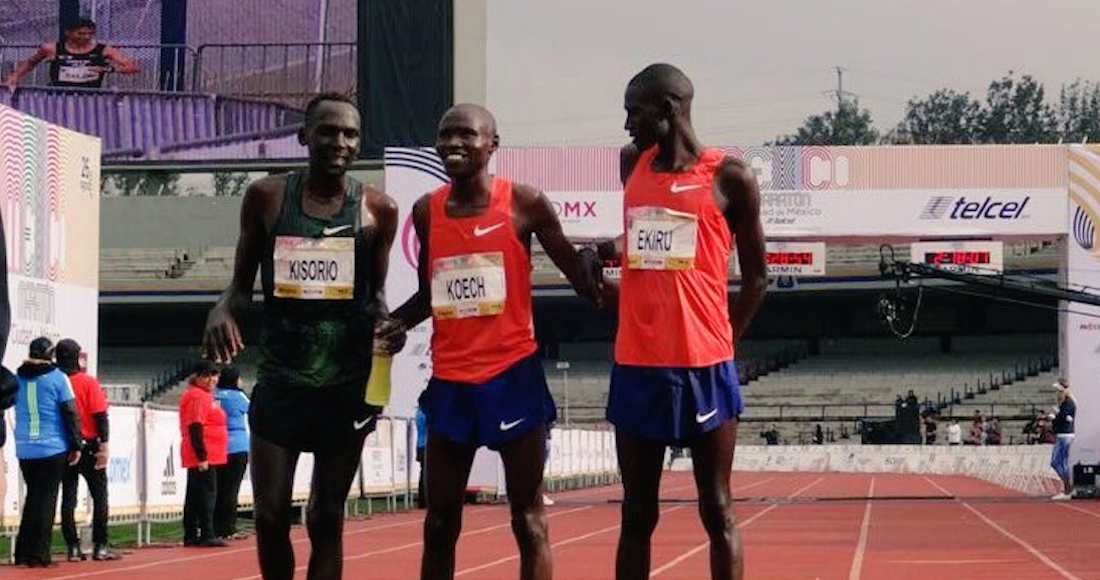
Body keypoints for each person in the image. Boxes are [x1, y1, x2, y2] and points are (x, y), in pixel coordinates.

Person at [377, 103, 598, 580]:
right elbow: (432, 294)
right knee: (439, 524)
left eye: (466, 134)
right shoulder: (427, 211)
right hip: (451, 381)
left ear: (492, 144)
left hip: (512, 376)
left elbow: (581, 280)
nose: (452, 144)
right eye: (444, 135)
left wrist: (598, 259)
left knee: (528, 520)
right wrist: (395, 323)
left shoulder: (525, 203)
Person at [202, 92, 399, 580]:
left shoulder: (378, 209)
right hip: (282, 379)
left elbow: (376, 296)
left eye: (350, 133)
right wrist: (220, 310)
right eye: (328, 131)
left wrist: (387, 322)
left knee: (326, 518)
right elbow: (240, 287)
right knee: (269, 516)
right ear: (304, 136)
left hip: (345, 384)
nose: (340, 142)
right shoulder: (267, 198)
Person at [594, 63, 767, 580]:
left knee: (716, 507)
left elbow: (757, 277)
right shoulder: (632, 163)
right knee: (636, 513)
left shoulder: (730, 177)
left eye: (635, 112)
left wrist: (725, 342)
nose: (627, 124)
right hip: (638, 364)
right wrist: (604, 251)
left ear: (669, 108)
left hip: (704, 367)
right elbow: (646, 230)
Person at [13, 337, 83, 567]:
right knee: (46, 501)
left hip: (25, 447)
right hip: (52, 447)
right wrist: (76, 444)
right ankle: (39, 553)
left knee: (33, 498)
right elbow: (70, 412)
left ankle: (23, 551)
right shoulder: (58, 378)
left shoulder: (18, 378)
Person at [56, 339, 120, 561]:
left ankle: (72, 547)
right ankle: (100, 545)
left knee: (68, 498)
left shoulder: (56, 382)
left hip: (66, 446)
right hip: (90, 445)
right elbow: (100, 415)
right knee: (100, 496)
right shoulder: (88, 382)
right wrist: (104, 445)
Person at [3, 18, 140, 89]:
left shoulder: (104, 49)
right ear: (68, 32)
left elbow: (133, 66)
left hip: (89, 97)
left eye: (90, 34)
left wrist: (108, 69)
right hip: (58, 96)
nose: (86, 37)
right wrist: (14, 76)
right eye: (81, 33)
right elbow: (30, 62)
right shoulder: (51, 48)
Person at [180, 361, 228, 547]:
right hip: (203, 454)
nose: (211, 379)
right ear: (197, 377)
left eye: (214, 375)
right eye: (206, 376)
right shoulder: (197, 396)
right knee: (206, 493)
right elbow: (195, 425)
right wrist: (202, 456)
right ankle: (206, 532)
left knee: (197, 493)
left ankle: (192, 533)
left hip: (208, 453)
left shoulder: (204, 396)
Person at [214, 366, 250, 539]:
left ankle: (216, 527)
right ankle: (229, 527)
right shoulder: (238, 396)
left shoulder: (214, 395)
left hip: (218, 446)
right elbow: (252, 409)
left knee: (218, 488)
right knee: (232, 489)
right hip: (237, 447)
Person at [1050, 380, 1077, 501]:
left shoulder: (1068, 403)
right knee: (1060, 462)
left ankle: (1068, 488)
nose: (1057, 393)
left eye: (1058, 391)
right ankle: (1067, 487)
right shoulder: (1067, 403)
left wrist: (1055, 417)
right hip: (1064, 434)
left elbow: (1062, 418)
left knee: (1058, 462)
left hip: (1064, 435)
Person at [415, 406, 428, 509]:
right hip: (426, 445)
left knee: (423, 472)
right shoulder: (426, 413)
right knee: (427, 473)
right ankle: (425, 500)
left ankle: (422, 500)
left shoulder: (418, 413)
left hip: (420, 445)